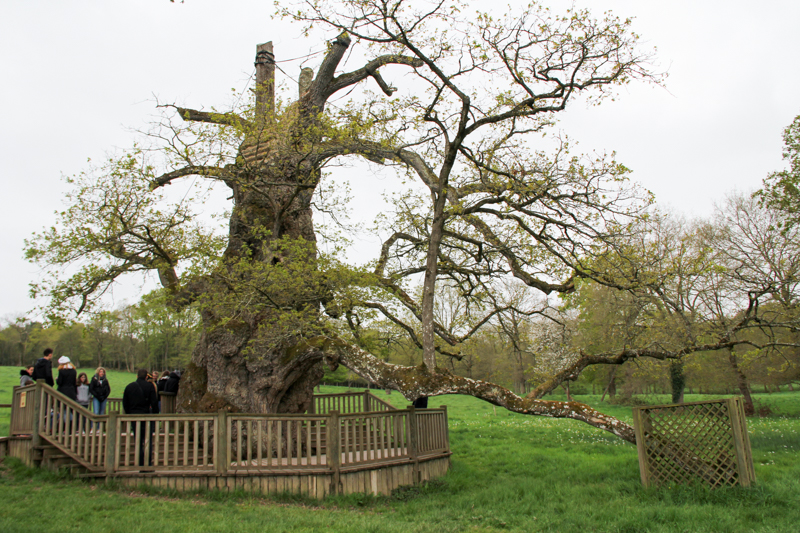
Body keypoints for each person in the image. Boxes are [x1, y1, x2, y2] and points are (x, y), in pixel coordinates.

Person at [122, 369, 160, 467]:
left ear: (137, 376)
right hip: (146, 415)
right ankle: (147, 463)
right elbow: (154, 402)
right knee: (148, 440)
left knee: (138, 439)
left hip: (134, 415)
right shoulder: (150, 386)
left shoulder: (129, 387)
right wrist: (155, 414)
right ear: (146, 377)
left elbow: (125, 403)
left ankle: (140, 462)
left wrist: (129, 413)